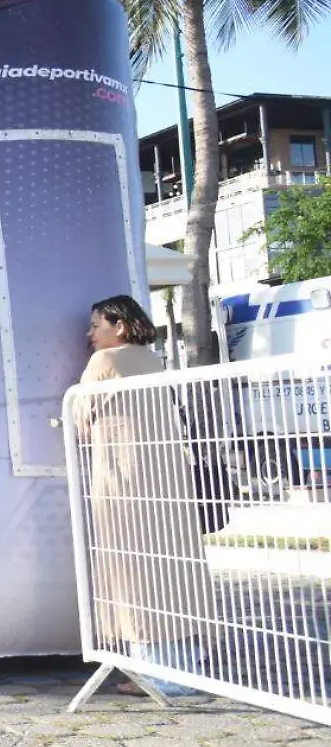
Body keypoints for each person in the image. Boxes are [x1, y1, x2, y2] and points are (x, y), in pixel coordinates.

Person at [78, 294, 210, 699]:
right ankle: (186, 667)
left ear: (119, 326)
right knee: (173, 569)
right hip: (168, 478)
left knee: (130, 570)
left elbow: (81, 420)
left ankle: (154, 674)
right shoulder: (152, 360)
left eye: (96, 326)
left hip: (123, 479)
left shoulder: (105, 362)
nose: (89, 335)